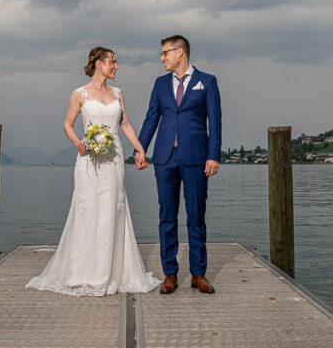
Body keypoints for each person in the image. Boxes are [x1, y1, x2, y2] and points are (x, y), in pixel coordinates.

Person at [26, 47, 161, 296]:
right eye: (113, 62)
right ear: (99, 63)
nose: (117, 67)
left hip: (115, 158)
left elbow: (125, 124)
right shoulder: (79, 94)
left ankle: (113, 271)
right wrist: (78, 142)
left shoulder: (118, 93)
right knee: (88, 210)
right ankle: (84, 271)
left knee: (114, 209)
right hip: (88, 159)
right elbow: (67, 123)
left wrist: (141, 150)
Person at [137, 35, 221, 294]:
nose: (162, 58)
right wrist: (140, 149)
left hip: (196, 158)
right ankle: (170, 274)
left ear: (180, 52)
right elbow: (152, 118)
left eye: (165, 53)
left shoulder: (207, 81)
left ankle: (198, 274)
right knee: (167, 217)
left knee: (196, 216)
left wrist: (213, 155)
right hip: (164, 159)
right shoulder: (160, 84)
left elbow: (215, 121)